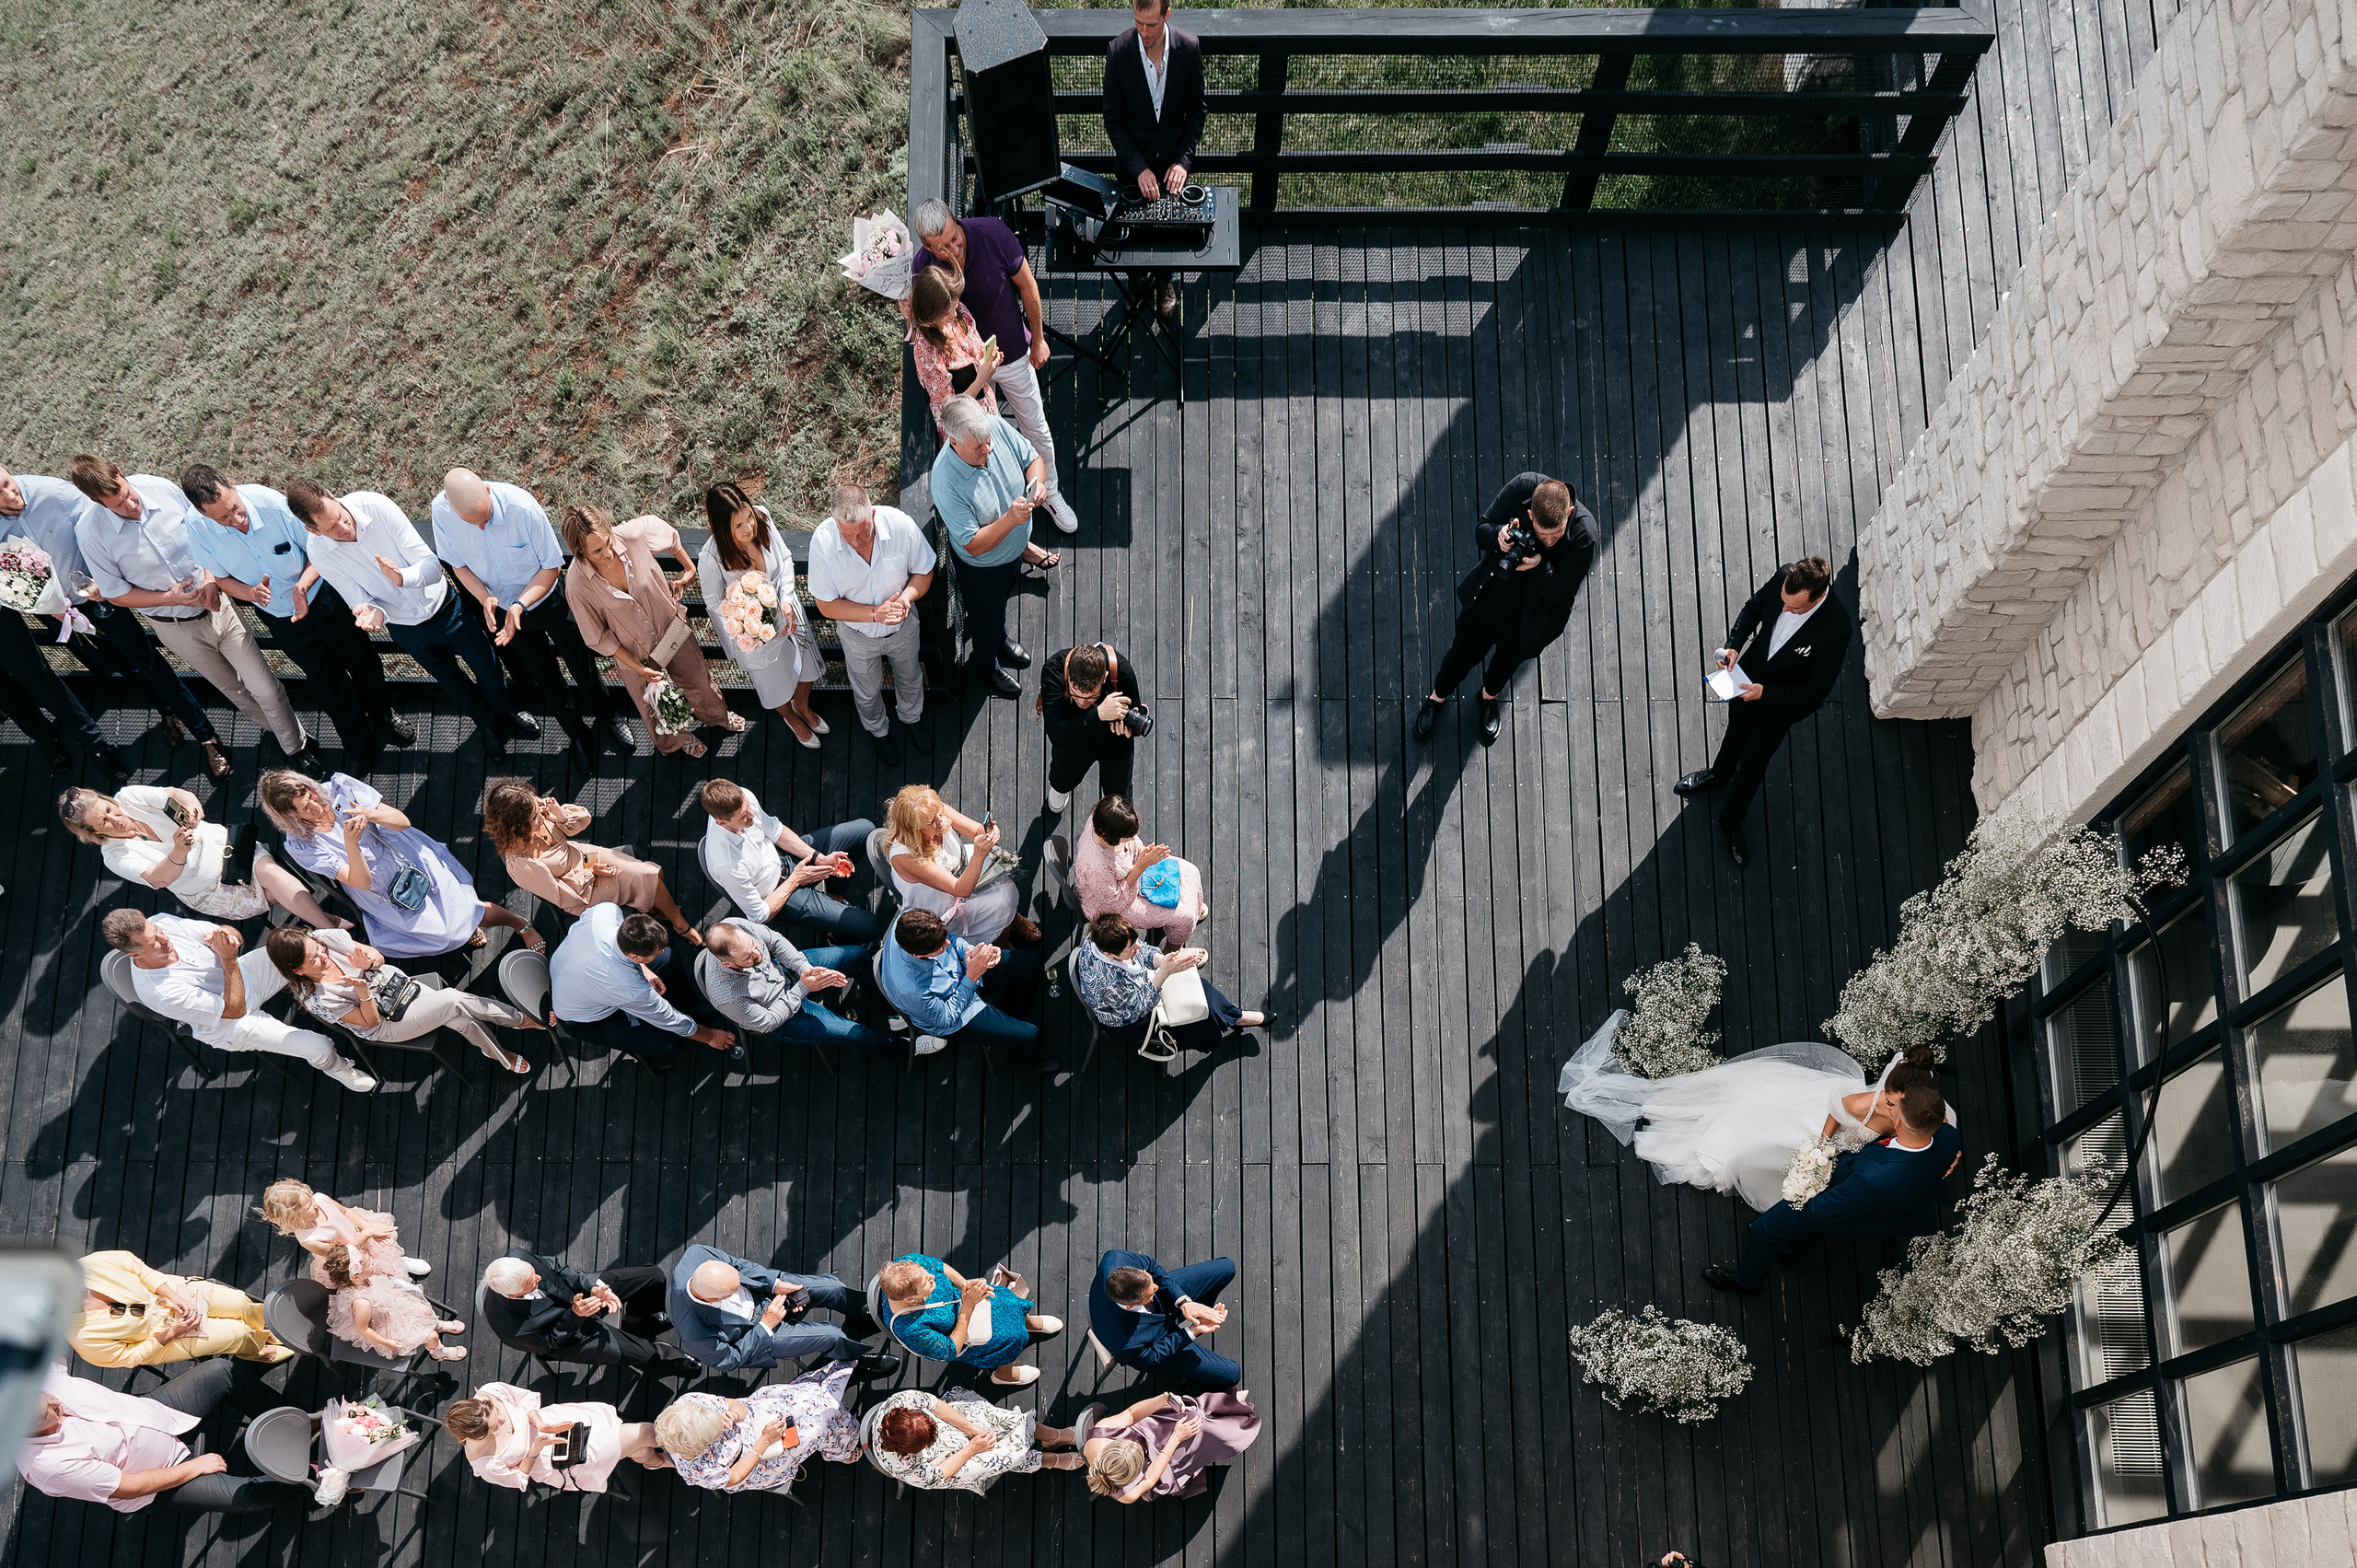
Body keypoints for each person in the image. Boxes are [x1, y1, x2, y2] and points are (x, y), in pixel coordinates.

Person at [69, 454, 319, 774]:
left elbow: (206, 535)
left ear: (121, 473)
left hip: (218, 609)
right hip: (174, 628)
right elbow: (116, 594)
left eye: (128, 494)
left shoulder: (160, 488)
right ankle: (285, 734)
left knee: (265, 687)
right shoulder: (91, 534)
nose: (131, 505)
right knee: (235, 691)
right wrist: (169, 598)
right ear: (95, 501)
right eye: (118, 505)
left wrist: (212, 582)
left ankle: (294, 747)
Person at [1559, 1024, 1959, 1213]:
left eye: (1891, 1104)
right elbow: (1835, 1115)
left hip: (1853, 1148)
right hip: (1825, 1130)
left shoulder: (1935, 1113)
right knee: (1759, 1145)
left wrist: (1946, 1159)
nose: (1887, 1106)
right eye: (1888, 1101)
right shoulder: (1865, 1103)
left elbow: (1945, 1137)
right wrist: (1820, 1150)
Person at [178, 463, 413, 773]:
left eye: (235, 509)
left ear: (233, 484)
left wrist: (302, 586)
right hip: (280, 618)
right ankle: (359, 744)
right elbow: (220, 577)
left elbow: (320, 551)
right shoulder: (196, 528)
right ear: (202, 513)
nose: (235, 520)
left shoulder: (273, 505)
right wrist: (249, 594)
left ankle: (383, 712)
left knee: (363, 660)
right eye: (222, 518)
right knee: (326, 682)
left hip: (323, 598)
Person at [287, 478, 531, 763]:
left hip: (445, 606)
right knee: (451, 681)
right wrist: (372, 612)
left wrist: (403, 578)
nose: (345, 528)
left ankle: (506, 710)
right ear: (311, 529)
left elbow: (432, 567)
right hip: (405, 628)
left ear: (334, 496)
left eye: (341, 517)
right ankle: (486, 722)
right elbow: (357, 598)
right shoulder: (318, 553)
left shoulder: (377, 507)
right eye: (331, 529)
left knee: (487, 666)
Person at [431, 467, 623, 770]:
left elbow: (550, 567)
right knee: (546, 678)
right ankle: (577, 734)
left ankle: (608, 716)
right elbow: (458, 566)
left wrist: (520, 603)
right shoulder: (441, 513)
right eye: (473, 523)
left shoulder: (523, 508)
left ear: (487, 488)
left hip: (549, 600)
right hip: (507, 613)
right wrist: (485, 599)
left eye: (486, 518)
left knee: (582, 664)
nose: (481, 528)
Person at [1674, 556, 1856, 867]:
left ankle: (1730, 820)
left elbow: (1815, 693)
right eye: (1784, 601)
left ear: (1818, 596)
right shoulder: (1786, 576)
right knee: (1735, 730)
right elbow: (1754, 608)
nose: (1785, 610)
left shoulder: (1837, 627)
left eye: (1795, 608)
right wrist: (1734, 644)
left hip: (1780, 706)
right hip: (1746, 677)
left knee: (1755, 762)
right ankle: (1719, 773)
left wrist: (1766, 694)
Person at [1704, 1075, 1960, 1296]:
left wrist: (1805, 1185)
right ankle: (1791, 1251)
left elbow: (1818, 1213)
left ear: (1898, 1123)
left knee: (1764, 1229)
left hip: (1848, 1205)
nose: (1889, 1108)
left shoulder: (1870, 1181)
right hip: (1882, 1203)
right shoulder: (1948, 1136)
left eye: (1896, 1109)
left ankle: (1747, 1283)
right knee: (1813, 1232)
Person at [908, 200, 1075, 534]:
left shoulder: (993, 234)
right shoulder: (924, 270)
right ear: (928, 247)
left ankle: (1051, 490)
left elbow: (1028, 286)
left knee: (1035, 425)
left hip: (1010, 353)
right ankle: (1013, 510)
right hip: (969, 376)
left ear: (957, 222)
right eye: (944, 247)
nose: (955, 249)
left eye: (955, 238)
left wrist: (1038, 339)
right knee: (990, 444)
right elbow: (923, 321)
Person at [261, 769, 540, 960]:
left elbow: (402, 822)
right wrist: (351, 844)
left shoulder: (338, 788)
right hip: (378, 887)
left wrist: (369, 813)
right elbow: (361, 882)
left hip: (404, 854)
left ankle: (520, 924)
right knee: (443, 933)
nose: (316, 805)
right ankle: (463, 932)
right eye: (305, 807)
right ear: (291, 817)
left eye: (310, 794)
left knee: (466, 909)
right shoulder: (300, 844)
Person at [1411, 471, 1599, 749]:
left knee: (1505, 666)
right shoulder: (1524, 486)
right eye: (1541, 533)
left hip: (1531, 621)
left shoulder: (1585, 535)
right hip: (1490, 599)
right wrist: (1498, 537)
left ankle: (1488, 697)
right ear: (1530, 514)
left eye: (1556, 534)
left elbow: (1561, 594)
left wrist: (1539, 566)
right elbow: (1482, 529)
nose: (1548, 541)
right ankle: (1437, 697)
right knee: (1460, 654)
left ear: (1569, 511)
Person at [102, 908, 377, 1092]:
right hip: (229, 1023)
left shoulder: (163, 923)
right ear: (134, 956)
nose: (164, 939)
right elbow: (235, 1010)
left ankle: (364, 972)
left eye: (157, 932)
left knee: (304, 945)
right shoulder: (161, 993)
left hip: (240, 973)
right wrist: (228, 959)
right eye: (154, 944)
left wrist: (227, 937)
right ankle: (340, 1069)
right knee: (317, 1047)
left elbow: (232, 934)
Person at [561, 503, 742, 760]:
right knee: (653, 707)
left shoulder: (633, 535)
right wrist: (637, 668)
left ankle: (717, 716)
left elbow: (670, 536)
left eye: (609, 541)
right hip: (634, 654)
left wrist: (689, 568)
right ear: (580, 551)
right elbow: (596, 636)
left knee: (699, 681)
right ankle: (676, 740)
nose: (608, 552)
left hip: (672, 629)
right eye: (597, 550)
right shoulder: (577, 584)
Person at [19, 1362, 313, 1514]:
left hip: (156, 1412)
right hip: (163, 1475)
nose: (57, 1403)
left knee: (221, 1372)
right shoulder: (48, 1468)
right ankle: (314, 1480)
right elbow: (130, 1487)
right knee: (241, 1498)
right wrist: (193, 1467)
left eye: (48, 1397)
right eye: (50, 1413)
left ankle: (298, 1424)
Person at [0, 464, 134, 784]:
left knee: (37, 678)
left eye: (7, 484)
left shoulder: (50, 494)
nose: (9, 494)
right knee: (3, 693)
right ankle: (45, 737)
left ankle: (95, 745)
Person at [264, 923, 545, 1075]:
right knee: (452, 999)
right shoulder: (318, 999)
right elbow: (369, 1021)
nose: (323, 955)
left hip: (402, 987)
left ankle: (496, 1053)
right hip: (386, 1023)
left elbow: (379, 958)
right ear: (298, 970)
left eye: (318, 948)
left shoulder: (326, 939)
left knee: (459, 1018)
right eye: (315, 959)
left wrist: (368, 961)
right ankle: (521, 1020)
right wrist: (362, 993)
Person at [59, 784, 344, 928]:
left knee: (270, 875)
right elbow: (158, 879)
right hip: (207, 889)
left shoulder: (128, 796)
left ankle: (327, 927)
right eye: (105, 823)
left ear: (108, 801)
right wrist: (178, 852)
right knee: (275, 886)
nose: (116, 819)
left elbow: (174, 793)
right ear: (93, 832)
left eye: (109, 810)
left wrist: (192, 806)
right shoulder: (114, 855)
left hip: (227, 849)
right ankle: (324, 921)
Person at [930, 395, 1061, 697]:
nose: (987, 449)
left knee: (998, 610)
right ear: (954, 442)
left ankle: (999, 641)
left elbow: (1032, 460)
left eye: (987, 441)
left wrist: (1038, 484)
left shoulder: (992, 426)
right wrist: (1011, 520)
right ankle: (986, 664)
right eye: (978, 447)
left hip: (1012, 554)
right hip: (983, 570)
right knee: (986, 618)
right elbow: (973, 545)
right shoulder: (945, 483)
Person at [806, 484, 936, 766]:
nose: (856, 542)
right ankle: (878, 730)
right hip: (857, 636)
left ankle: (911, 718)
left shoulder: (900, 526)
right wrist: (874, 614)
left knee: (911, 676)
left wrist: (906, 598)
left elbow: (924, 571)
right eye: (847, 535)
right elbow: (826, 605)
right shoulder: (822, 542)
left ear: (873, 514)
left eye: (864, 533)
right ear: (833, 519)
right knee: (865, 689)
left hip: (903, 628)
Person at [482, 776, 699, 938]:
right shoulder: (520, 864)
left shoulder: (533, 807)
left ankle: (660, 911)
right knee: (644, 877)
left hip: (585, 855)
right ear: (516, 826)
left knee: (644, 873)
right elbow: (560, 896)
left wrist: (560, 817)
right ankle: (679, 924)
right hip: (579, 891)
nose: (540, 815)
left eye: (537, 808)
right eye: (533, 818)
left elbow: (584, 820)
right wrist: (590, 872)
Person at [695, 481, 825, 747]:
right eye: (738, 526)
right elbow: (712, 601)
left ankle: (802, 704)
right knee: (774, 685)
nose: (749, 528)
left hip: (788, 613)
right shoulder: (711, 558)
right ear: (722, 529)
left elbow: (786, 559)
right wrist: (743, 617)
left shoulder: (763, 517)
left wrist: (787, 598)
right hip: (755, 634)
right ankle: (791, 717)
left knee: (807, 667)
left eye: (749, 519)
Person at [1101, 0, 1207, 319]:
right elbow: (1113, 120)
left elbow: (1197, 111)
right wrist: (1138, 168)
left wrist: (1183, 162)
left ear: (1167, 15)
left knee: (1170, 231)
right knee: (1133, 232)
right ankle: (1136, 282)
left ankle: (1165, 282)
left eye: (1151, 24)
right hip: (1133, 170)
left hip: (1174, 167)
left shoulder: (1188, 48)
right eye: (1138, 23)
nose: (1144, 33)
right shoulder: (1118, 52)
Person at [697, 916, 908, 1064]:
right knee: (855, 1033)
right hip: (781, 1015)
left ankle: (893, 1010)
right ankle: (903, 1052)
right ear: (728, 965)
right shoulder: (726, 996)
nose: (757, 954)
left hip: (787, 970)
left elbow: (776, 942)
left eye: (753, 946)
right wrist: (804, 987)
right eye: (748, 958)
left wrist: (806, 970)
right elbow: (767, 1022)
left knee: (857, 956)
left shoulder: (735, 926)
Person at [548, 906, 737, 1069]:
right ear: (634, 956)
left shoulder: (606, 911)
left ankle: (690, 1007)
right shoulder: (631, 990)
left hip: (573, 972)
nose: (660, 951)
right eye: (655, 952)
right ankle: (648, 1055)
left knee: (668, 959)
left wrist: (644, 968)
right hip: (584, 1019)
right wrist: (710, 1036)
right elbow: (669, 1019)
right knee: (670, 1045)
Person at [697, 779, 881, 943]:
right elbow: (759, 915)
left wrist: (818, 857)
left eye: (749, 809)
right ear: (721, 822)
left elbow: (775, 831)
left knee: (864, 830)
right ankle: (835, 934)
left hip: (785, 859)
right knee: (871, 927)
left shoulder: (743, 797)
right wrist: (796, 880)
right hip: (779, 894)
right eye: (744, 817)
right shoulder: (726, 864)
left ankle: (834, 895)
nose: (752, 816)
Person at [665, 1246, 892, 1374]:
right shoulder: (695, 1332)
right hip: (758, 1334)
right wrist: (766, 1325)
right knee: (831, 1335)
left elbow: (739, 1266)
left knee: (831, 1287)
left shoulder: (697, 1254)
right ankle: (854, 1362)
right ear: (713, 1300)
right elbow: (729, 1360)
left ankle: (860, 1310)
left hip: (766, 1292)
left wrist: (774, 1284)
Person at [876, 908, 1052, 1071]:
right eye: (940, 947)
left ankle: (1011, 1013)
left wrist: (971, 951)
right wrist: (972, 977)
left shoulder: (911, 920)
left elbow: (950, 939)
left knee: (1031, 963)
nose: (946, 943)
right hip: (958, 1014)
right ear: (918, 955)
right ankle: (1023, 1059)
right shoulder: (912, 990)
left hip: (963, 970)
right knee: (1031, 1035)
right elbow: (946, 1019)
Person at [654, 1363, 863, 1494]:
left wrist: (734, 1414)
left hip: (756, 1418)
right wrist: (762, 1441)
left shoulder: (689, 1405)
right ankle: (842, 1447)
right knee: (819, 1425)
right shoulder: (700, 1470)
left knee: (808, 1402)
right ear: (704, 1442)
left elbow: (736, 1405)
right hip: (759, 1458)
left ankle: (830, 1394)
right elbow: (734, 1477)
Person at [479, 1254, 701, 1376]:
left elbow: (559, 1269)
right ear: (513, 1294)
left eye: (533, 1272)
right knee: (644, 1355)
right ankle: (665, 1358)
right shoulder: (513, 1330)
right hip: (572, 1337)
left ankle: (637, 1318)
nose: (538, 1278)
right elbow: (551, 1343)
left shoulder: (519, 1257)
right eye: (532, 1283)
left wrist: (594, 1287)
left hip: (582, 1294)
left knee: (653, 1276)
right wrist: (576, 1315)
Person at [71, 1249, 287, 1369]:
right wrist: (173, 1332)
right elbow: (130, 1357)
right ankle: (256, 1351)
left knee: (240, 1302)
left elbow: (137, 1268)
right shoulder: (82, 1339)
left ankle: (263, 1329)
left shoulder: (88, 1265)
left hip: (164, 1293)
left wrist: (174, 1297)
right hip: (161, 1338)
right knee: (236, 1333)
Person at [1076, 914, 1264, 1049]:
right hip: (1128, 1021)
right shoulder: (1107, 982)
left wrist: (1162, 960)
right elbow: (1138, 1008)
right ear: (1109, 954)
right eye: (1131, 948)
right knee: (1200, 1018)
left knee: (1200, 987)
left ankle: (1235, 1017)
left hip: (1140, 989)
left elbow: (1142, 951)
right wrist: (1163, 973)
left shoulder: (1102, 937)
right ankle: (1233, 1020)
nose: (1138, 947)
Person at [447, 1384, 670, 1493]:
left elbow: (524, 1402)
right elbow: (519, 1478)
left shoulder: (490, 1393)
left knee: (634, 1442)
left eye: (499, 1414)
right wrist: (534, 1449)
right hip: (560, 1461)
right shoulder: (483, 1461)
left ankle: (652, 1461)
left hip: (559, 1422)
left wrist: (540, 1423)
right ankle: (683, 1443)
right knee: (646, 1433)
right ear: (481, 1434)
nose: (504, 1421)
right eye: (498, 1426)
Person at [883, 783, 1033, 945]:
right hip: (942, 901)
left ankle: (1011, 921)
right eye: (931, 822)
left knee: (1004, 886)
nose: (940, 821)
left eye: (939, 814)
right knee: (1001, 903)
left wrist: (988, 833)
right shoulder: (906, 857)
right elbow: (960, 889)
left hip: (959, 867)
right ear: (914, 829)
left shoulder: (932, 809)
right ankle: (1003, 940)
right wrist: (980, 853)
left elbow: (975, 830)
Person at [877, 1254, 1060, 1387]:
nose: (932, 1278)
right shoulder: (910, 1329)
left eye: (926, 1274)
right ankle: (1004, 1374)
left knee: (1006, 1298)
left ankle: (1029, 1323)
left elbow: (939, 1267)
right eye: (927, 1283)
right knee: (1014, 1336)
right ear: (910, 1300)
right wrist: (968, 1306)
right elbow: (951, 1350)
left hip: (964, 1300)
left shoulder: (908, 1267)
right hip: (964, 1333)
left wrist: (965, 1285)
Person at [869, 1388, 1085, 1491]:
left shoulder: (904, 1401)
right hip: (941, 1463)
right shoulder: (907, 1467)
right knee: (1004, 1457)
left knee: (1004, 1421)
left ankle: (1053, 1436)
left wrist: (971, 1428)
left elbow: (936, 1406)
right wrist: (972, 1448)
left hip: (946, 1423)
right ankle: (1047, 1460)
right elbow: (938, 1476)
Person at [1087, 1249, 1238, 1388]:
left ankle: (1197, 1310)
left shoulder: (1116, 1258)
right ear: (1130, 1306)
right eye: (1151, 1293)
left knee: (1226, 1268)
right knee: (1233, 1375)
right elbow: (1152, 1358)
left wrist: (1184, 1301)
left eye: (1151, 1281)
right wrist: (1192, 1331)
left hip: (1165, 1301)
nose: (1156, 1287)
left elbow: (1152, 1267)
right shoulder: (1124, 1342)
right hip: (1158, 1340)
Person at [1072, 793, 1205, 946]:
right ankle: (1171, 951)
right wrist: (1142, 865)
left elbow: (1132, 838)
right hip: (1110, 904)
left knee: (1191, 871)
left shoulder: (1104, 816)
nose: (1131, 839)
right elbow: (1114, 903)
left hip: (1132, 869)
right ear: (1106, 834)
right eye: (1126, 838)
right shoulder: (1096, 867)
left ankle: (1191, 905)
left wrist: (1142, 850)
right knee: (1185, 916)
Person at [1082, 1388, 1260, 1503]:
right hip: (1161, 1465)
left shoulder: (1099, 1436)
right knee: (1202, 1432)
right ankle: (1234, 1427)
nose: (1131, 1442)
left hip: (1148, 1431)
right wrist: (1175, 1438)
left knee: (1194, 1415)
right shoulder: (1127, 1496)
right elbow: (1150, 1479)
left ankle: (1229, 1408)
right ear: (1135, 1470)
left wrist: (1162, 1400)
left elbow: (1131, 1415)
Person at [253, 1178, 432, 1285]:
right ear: (293, 1216)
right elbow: (344, 1253)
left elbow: (345, 1211)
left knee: (383, 1251)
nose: (314, 1204)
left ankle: (399, 1262)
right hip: (350, 1255)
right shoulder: (308, 1239)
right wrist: (366, 1234)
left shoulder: (320, 1199)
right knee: (370, 1270)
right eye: (308, 1206)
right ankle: (392, 1281)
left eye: (311, 1198)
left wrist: (368, 1227)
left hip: (359, 1233)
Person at [1040, 641, 1146, 818]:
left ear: (1104, 678)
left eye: (1090, 697)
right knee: (1061, 778)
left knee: (1119, 797)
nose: (1082, 702)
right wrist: (1098, 714)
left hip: (1114, 738)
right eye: (1076, 694)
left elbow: (1135, 710)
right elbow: (1056, 733)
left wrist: (1128, 728)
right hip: (1072, 737)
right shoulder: (1053, 670)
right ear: (1068, 678)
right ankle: (1061, 789)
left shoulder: (1122, 670)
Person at [319, 1244, 467, 1361]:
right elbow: (363, 1329)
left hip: (389, 1306)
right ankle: (438, 1352)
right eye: (368, 1263)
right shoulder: (362, 1303)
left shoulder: (364, 1279)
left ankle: (436, 1324)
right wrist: (386, 1342)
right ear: (356, 1277)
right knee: (432, 1337)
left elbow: (378, 1289)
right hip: (383, 1325)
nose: (372, 1262)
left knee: (425, 1310)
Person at [906, 265, 1002, 436]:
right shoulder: (927, 351)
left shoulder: (958, 311)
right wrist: (981, 379)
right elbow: (949, 415)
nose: (954, 314)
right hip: (968, 432)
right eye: (947, 312)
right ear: (931, 314)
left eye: (955, 305)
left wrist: (987, 358)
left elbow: (975, 346)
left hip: (989, 411)